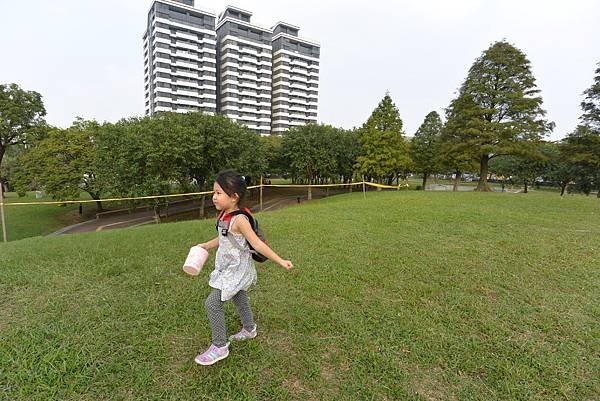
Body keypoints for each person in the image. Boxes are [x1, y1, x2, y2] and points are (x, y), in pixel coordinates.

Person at [194, 169, 293, 365]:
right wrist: (206, 245)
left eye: (218, 193)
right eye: (213, 192)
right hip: (228, 266)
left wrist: (280, 260)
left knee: (212, 303)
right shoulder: (225, 214)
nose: (214, 197)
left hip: (237, 269)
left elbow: (257, 244)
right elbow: (224, 238)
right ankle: (249, 329)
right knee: (239, 296)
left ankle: (220, 346)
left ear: (234, 197)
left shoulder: (240, 219)